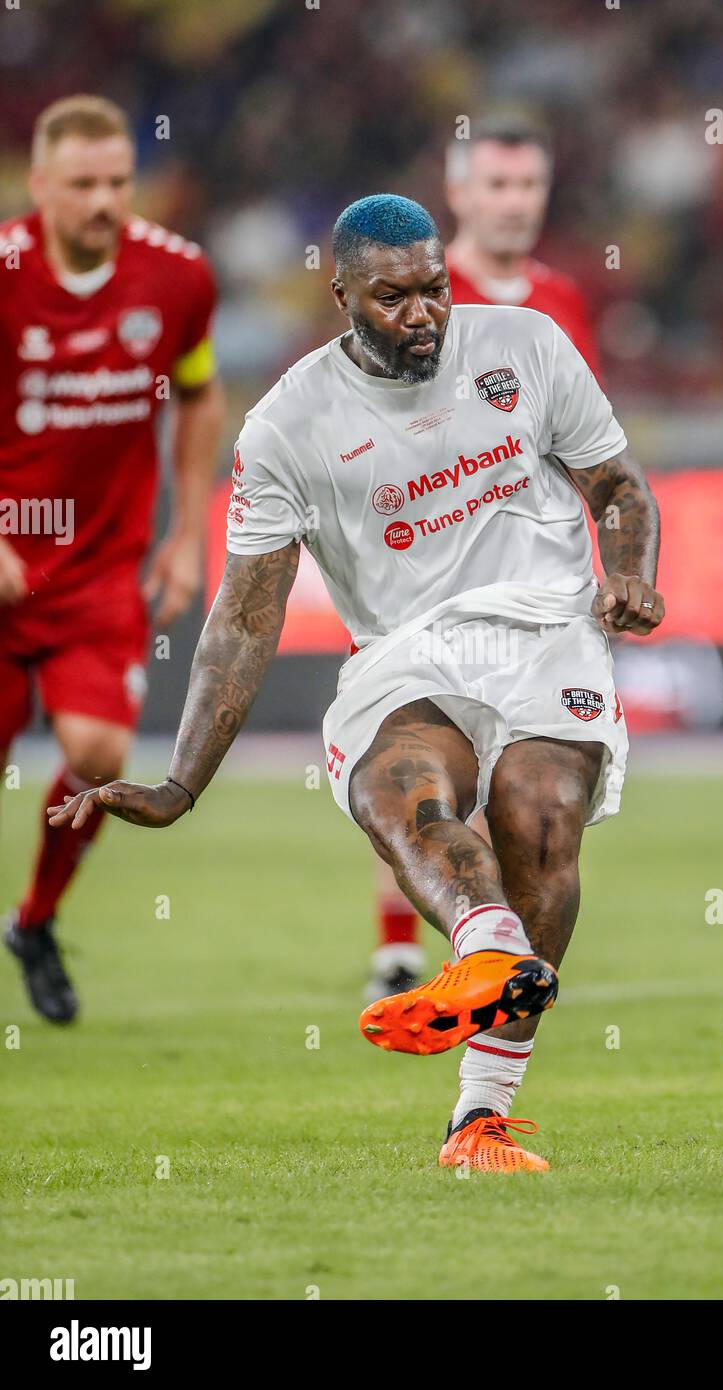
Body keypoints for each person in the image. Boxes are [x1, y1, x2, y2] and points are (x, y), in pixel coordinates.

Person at [50, 194, 663, 1172]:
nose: (423, 315)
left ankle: (479, 1118)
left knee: (539, 811)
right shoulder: (289, 425)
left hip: (547, 629)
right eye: (393, 297)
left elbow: (618, 487)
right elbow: (245, 617)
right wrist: (181, 783)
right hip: (404, 650)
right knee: (400, 789)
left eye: (435, 290)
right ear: (341, 296)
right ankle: (492, 944)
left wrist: (629, 569)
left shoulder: (528, 346)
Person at [367, 117, 603, 1002]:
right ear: (458, 193)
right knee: (422, 769)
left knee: (528, 793)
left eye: (529, 186)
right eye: (496, 186)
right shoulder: (420, 291)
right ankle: (403, 950)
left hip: (534, 584)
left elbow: (584, 443)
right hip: (426, 578)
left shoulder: (562, 301)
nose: (514, 203)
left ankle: (486, 961)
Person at [1, 95, 223, 1022]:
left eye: (119, 182)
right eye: (83, 184)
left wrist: (186, 533)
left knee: (96, 754)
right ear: (39, 184)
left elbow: (200, 398)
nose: (104, 201)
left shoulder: (175, 278)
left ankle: (35, 920)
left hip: (99, 569)